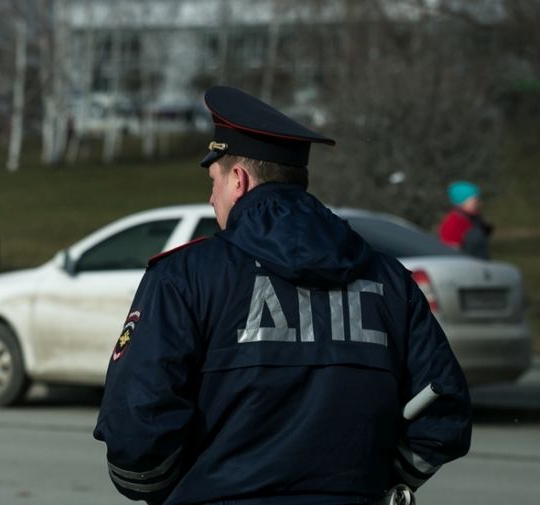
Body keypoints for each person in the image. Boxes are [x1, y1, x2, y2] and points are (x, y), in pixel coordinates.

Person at [94, 86, 472, 505]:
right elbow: (442, 409)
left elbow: (138, 423)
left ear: (239, 180)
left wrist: (182, 489)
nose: (211, 198)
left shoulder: (184, 276)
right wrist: (381, 480)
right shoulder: (389, 280)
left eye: (213, 182)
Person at [438, 181, 493, 259]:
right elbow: (451, 252)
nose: (479, 204)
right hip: (466, 263)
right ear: (462, 202)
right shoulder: (453, 222)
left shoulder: (473, 218)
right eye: (475, 201)